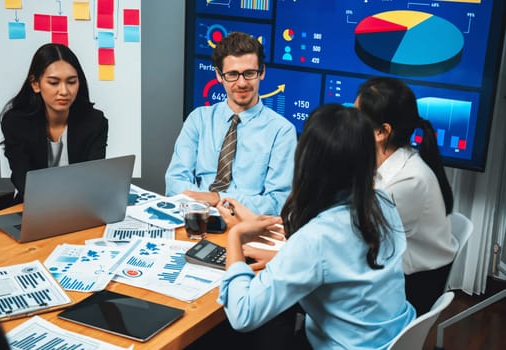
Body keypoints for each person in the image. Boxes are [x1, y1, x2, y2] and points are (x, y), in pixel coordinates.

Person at [216, 104, 416, 349]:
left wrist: (235, 236)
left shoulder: (317, 239)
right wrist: (284, 256)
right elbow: (340, 261)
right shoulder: (382, 203)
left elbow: (242, 314)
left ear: (306, 160)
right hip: (392, 338)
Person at [355, 76, 457, 315]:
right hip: (390, 271)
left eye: (356, 118)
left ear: (382, 132)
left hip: (409, 289)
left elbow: (356, 239)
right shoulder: (384, 162)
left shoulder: (409, 181)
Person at [165, 32, 297, 215]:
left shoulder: (282, 132)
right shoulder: (199, 120)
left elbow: (277, 203)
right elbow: (175, 183)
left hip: (247, 227)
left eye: (249, 73)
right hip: (196, 218)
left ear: (262, 72)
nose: (241, 83)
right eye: (233, 74)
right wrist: (204, 204)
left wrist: (219, 199)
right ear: (219, 75)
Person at [0, 43, 108, 202]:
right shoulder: (16, 123)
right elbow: (24, 181)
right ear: (35, 84)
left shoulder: (95, 122)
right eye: (53, 82)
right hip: (34, 204)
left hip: (80, 204)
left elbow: (94, 180)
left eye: (71, 82)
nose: (64, 91)